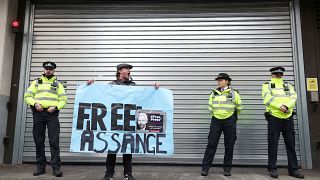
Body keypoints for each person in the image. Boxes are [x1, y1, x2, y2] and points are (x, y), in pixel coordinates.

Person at [87, 63, 159, 180]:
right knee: (112, 147)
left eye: (130, 69)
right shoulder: (111, 85)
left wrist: (154, 89)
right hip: (114, 119)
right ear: (120, 71)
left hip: (128, 120)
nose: (129, 71)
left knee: (128, 147)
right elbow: (101, 96)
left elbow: (143, 96)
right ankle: (109, 173)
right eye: (127, 69)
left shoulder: (133, 85)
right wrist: (91, 86)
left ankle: (128, 173)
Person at [24, 61, 68, 177]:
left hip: (52, 115)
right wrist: (35, 103)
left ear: (54, 70)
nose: (48, 70)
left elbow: (64, 99)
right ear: (43, 69)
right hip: (38, 114)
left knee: (54, 141)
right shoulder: (36, 82)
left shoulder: (58, 84)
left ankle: (56, 168)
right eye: (46, 68)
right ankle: (40, 167)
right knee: (39, 141)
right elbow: (27, 96)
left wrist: (56, 107)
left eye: (51, 68)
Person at [262, 66, 304, 179]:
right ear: (272, 74)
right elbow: (267, 99)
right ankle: (272, 168)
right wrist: (280, 106)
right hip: (274, 118)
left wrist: (286, 106)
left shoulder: (287, 85)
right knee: (273, 144)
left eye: (280, 74)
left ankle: (293, 169)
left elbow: (293, 97)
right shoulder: (267, 85)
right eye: (276, 74)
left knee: (291, 144)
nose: (278, 76)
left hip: (287, 118)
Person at [201, 73, 242, 177]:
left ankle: (227, 169)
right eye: (218, 80)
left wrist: (233, 118)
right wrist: (216, 115)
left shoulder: (234, 93)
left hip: (229, 121)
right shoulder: (213, 93)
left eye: (221, 80)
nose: (219, 82)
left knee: (229, 145)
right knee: (211, 144)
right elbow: (210, 106)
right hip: (216, 121)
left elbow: (239, 106)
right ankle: (205, 168)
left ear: (227, 81)